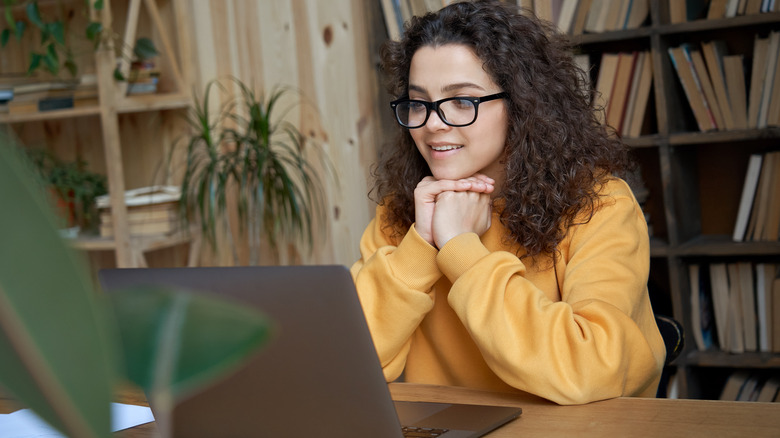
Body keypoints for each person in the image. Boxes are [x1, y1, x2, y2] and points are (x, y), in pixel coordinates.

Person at [350, 0, 665, 405]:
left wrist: (460, 249)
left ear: (521, 104)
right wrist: (421, 245)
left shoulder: (600, 206)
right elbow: (348, 365)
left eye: (462, 101)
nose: (431, 123)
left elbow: (590, 369)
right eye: (418, 103)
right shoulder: (401, 214)